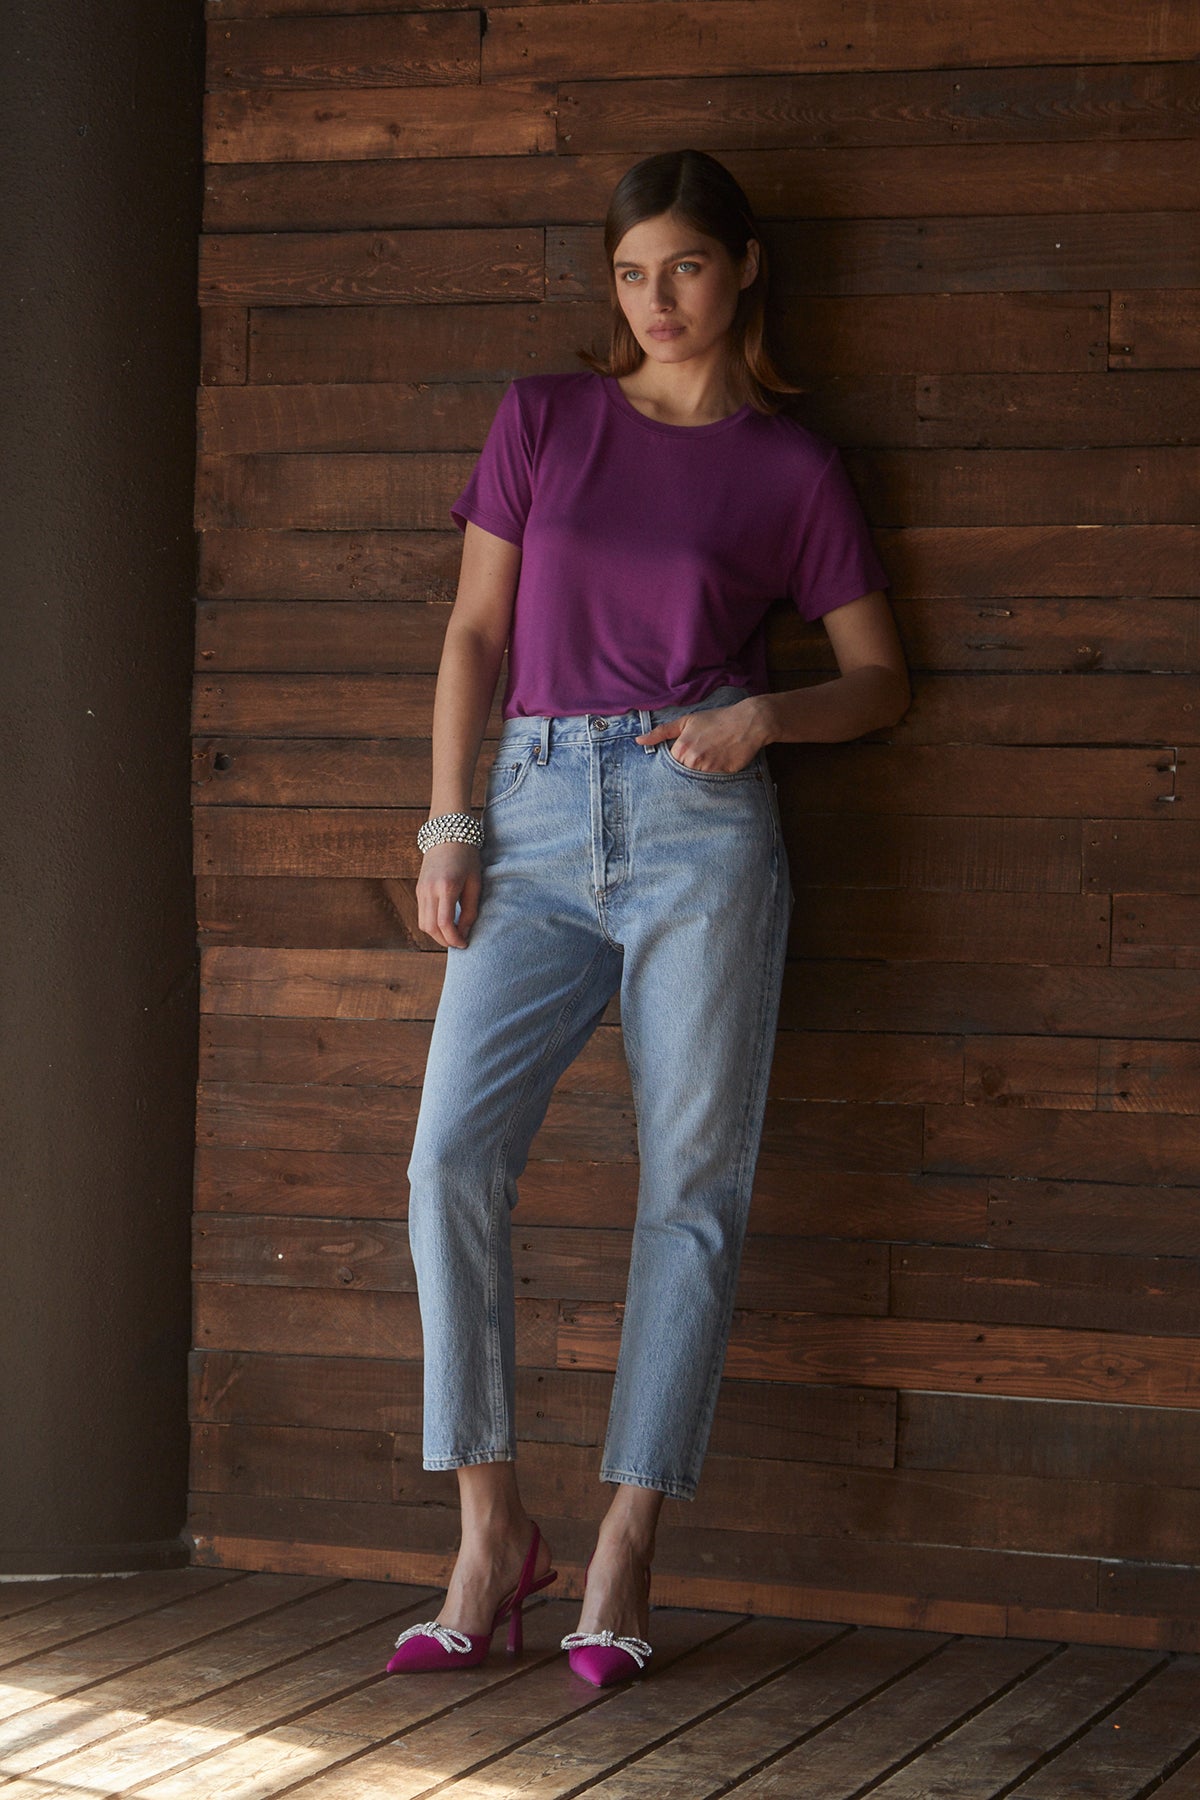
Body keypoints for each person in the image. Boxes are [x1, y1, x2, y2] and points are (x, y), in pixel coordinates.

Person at [385, 148, 909, 1688]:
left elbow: (882, 680)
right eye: (630, 272)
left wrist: (766, 718)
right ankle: (494, 1531)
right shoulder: (545, 419)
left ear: (742, 267)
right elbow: (476, 633)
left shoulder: (795, 471)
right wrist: (450, 822)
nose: (656, 300)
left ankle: (623, 1551)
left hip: (702, 826)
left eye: (683, 266)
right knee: (448, 1160)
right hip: (535, 817)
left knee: (693, 1185)